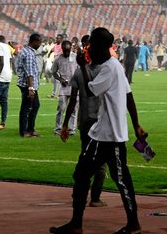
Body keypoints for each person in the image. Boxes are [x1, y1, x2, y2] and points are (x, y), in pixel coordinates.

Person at [50, 27, 147, 234]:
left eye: (92, 45)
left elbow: (90, 90)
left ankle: (133, 224)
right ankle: (76, 223)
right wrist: (136, 124)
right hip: (101, 133)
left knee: (121, 180)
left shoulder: (109, 69)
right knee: (84, 174)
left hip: (111, 136)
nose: (89, 49)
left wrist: (83, 67)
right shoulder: (115, 66)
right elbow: (129, 96)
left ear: (102, 47)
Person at [58, 58, 107, 208]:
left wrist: (65, 123)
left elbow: (73, 100)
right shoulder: (103, 71)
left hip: (84, 121)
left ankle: (79, 192)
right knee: (100, 161)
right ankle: (95, 197)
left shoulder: (79, 72)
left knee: (85, 156)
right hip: (99, 122)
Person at [15, 33, 43, 137]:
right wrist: (31, 88)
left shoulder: (25, 50)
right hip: (28, 85)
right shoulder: (29, 54)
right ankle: (24, 131)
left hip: (28, 84)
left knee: (35, 105)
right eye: (39, 42)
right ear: (34, 41)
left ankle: (30, 129)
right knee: (26, 107)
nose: (40, 44)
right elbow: (29, 72)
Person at [52, 40, 78, 136]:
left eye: (68, 50)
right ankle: (58, 128)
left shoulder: (75, 57)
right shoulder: (58, 59)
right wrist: (60, 79)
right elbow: (54, 72)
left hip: (75, 88)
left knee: (74, 109)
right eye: (65, 50)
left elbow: (80, 70)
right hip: (63, 88)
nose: (66, 52)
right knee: (61, 109)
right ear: (62, 49)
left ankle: (71, 129)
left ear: (71, 48)